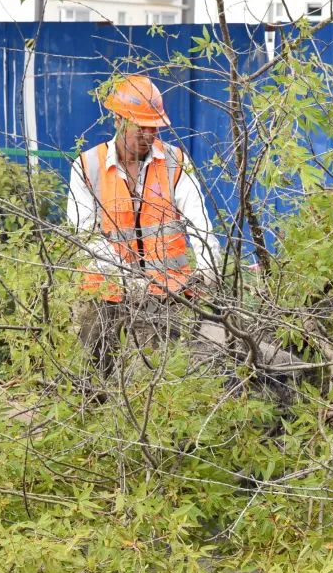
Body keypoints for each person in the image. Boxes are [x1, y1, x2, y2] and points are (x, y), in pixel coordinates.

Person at [66, 75, 220, 367]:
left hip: (168, 296)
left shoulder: (175, 163)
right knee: (94, 376)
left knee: (162, 380)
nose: (148, 135)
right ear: (117, 119)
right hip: (104, 295)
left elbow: (200, 223)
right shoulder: (87, 167)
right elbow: (85, 235)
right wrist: (125, 278)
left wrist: (208, 267)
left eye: (154, 127)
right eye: (141, 127)